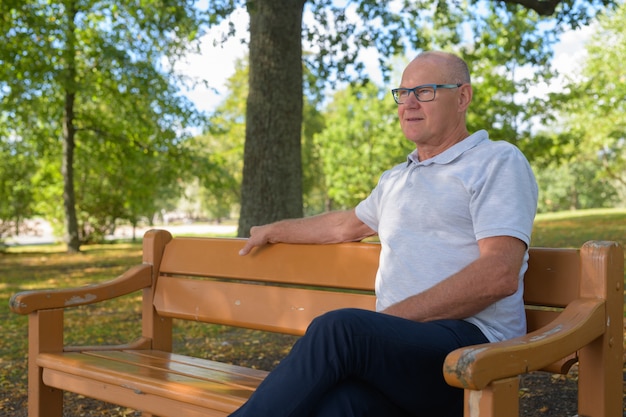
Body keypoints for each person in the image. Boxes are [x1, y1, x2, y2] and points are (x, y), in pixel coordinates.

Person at [232, 50, 538, 417]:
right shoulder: (396, 179)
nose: (408, 103)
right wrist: (273, 230)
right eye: (402, 92)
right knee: (335, 407)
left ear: (462, 97)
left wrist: (387, 322)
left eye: (424, 91)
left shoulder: (496, 161)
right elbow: (343, 226)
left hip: (473, 351)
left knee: (341, 330)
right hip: (401, 356)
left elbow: (498, 274)